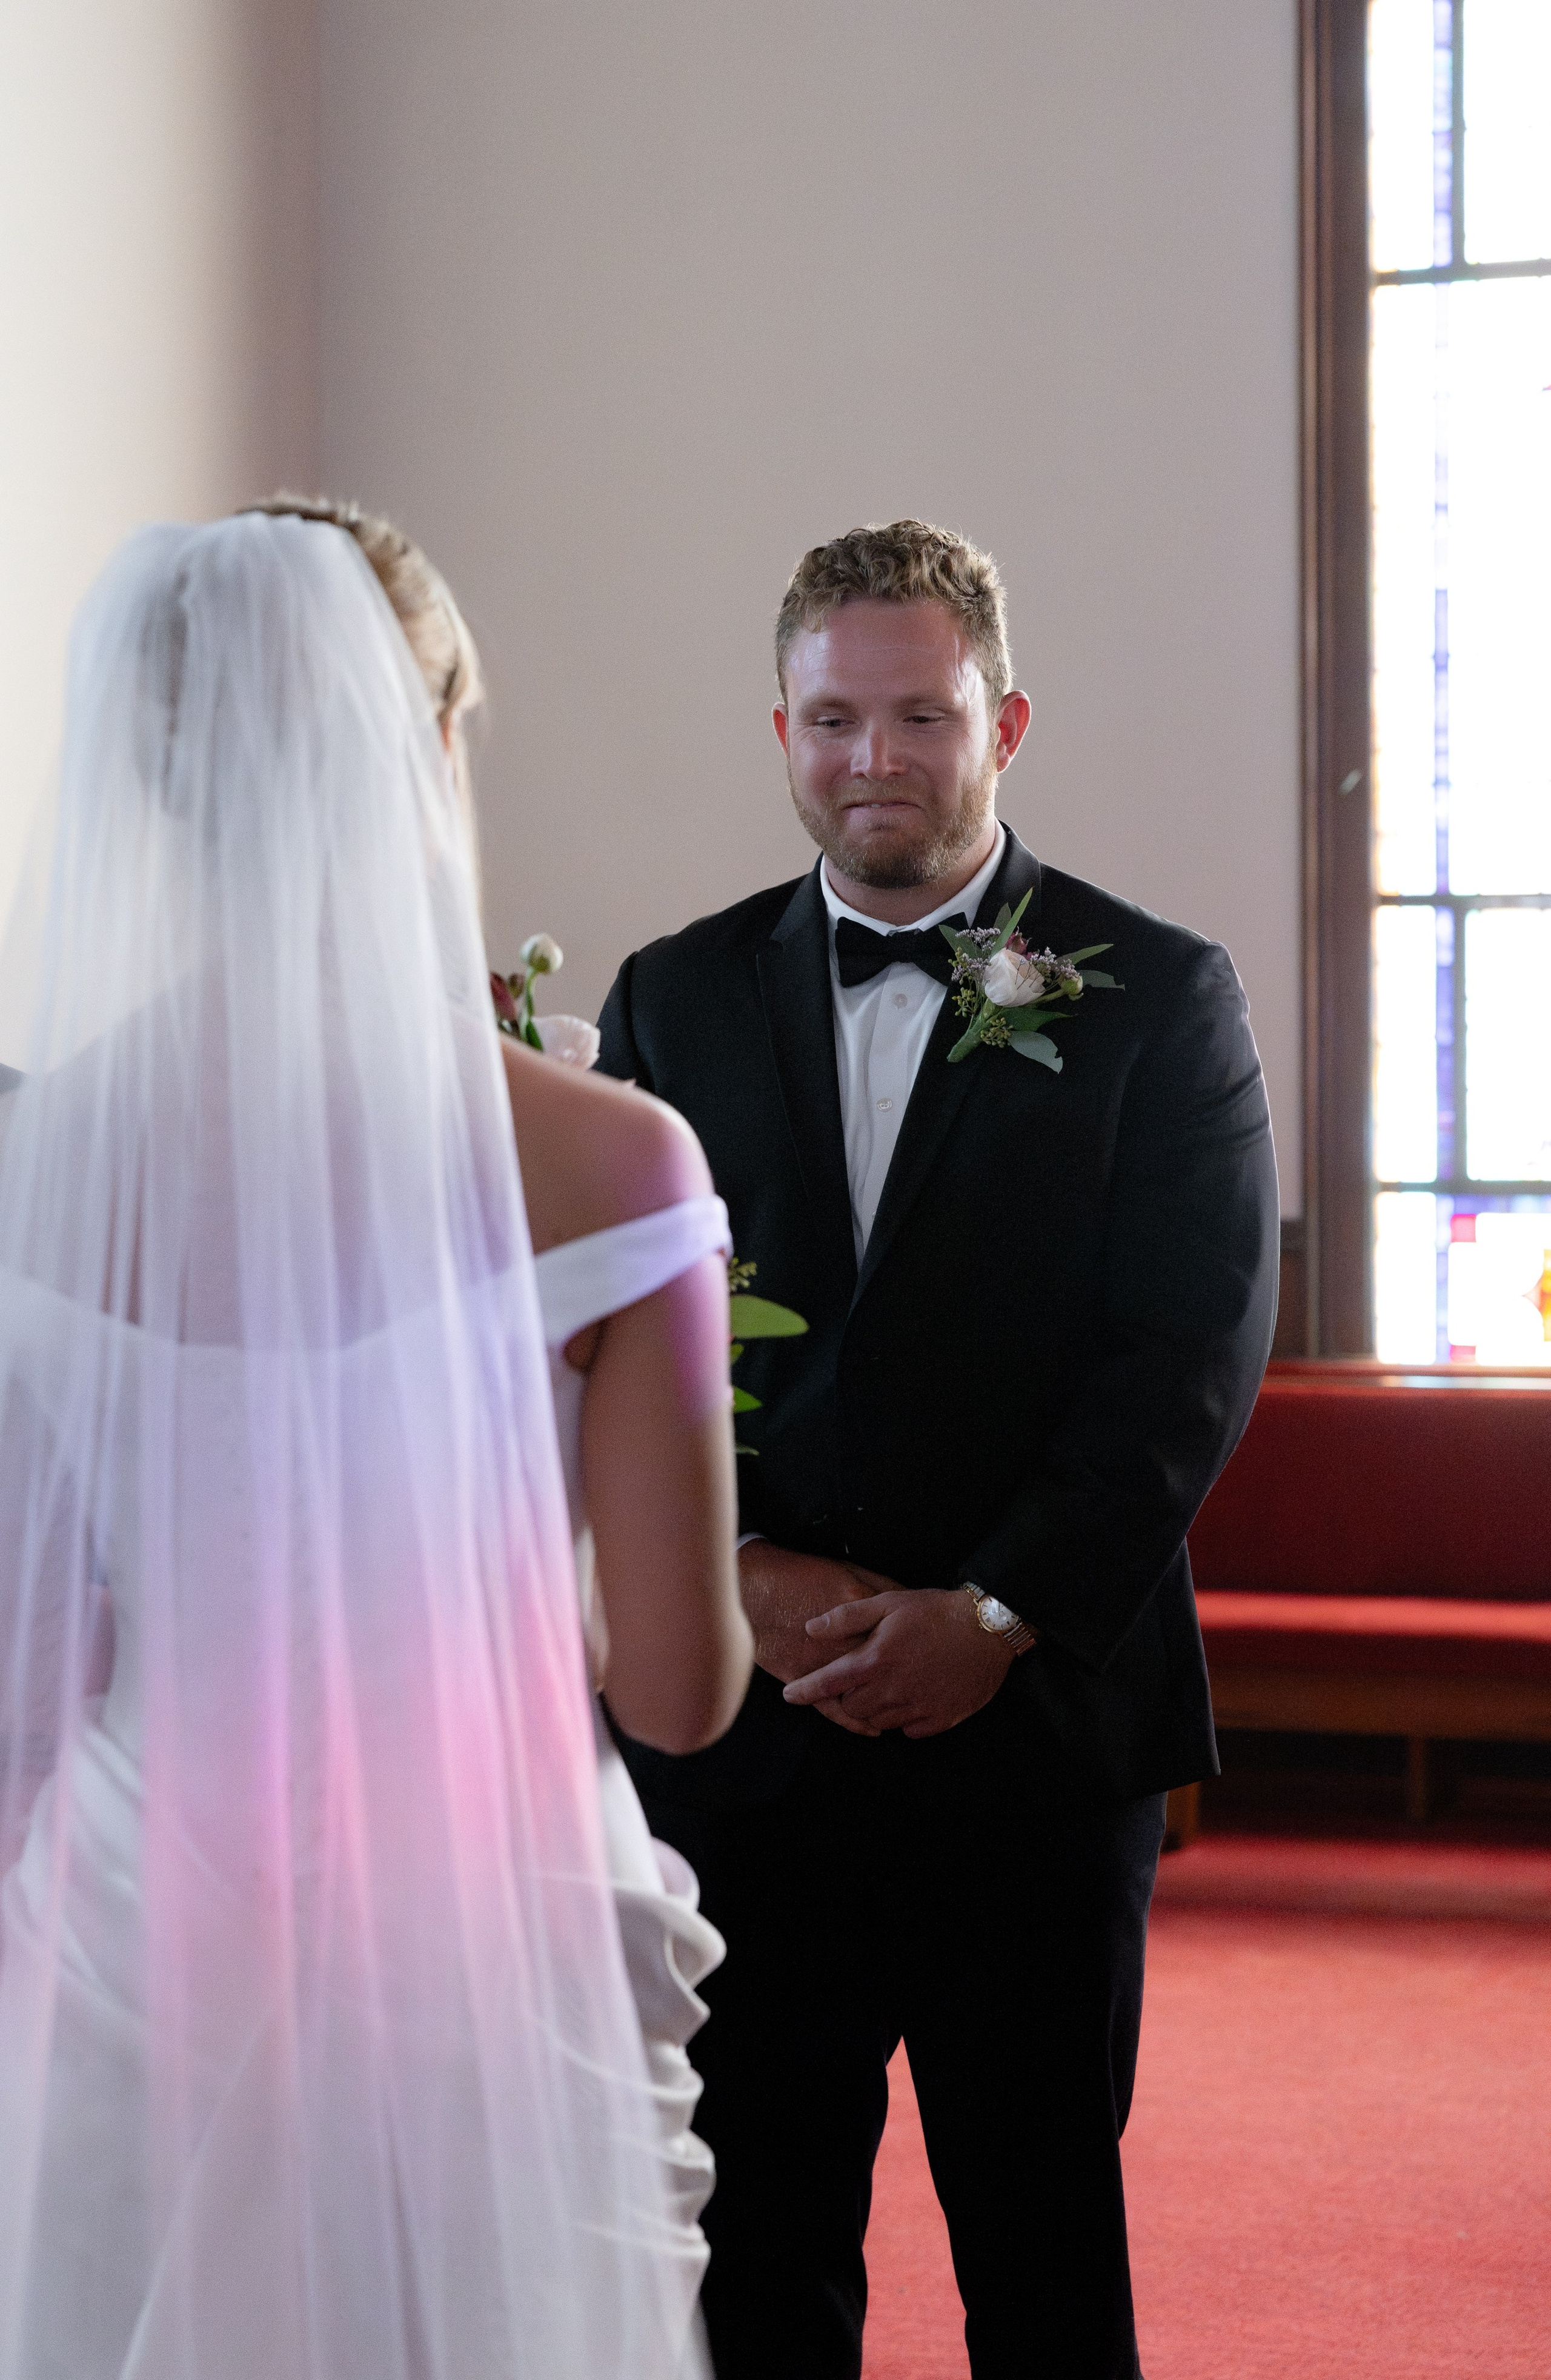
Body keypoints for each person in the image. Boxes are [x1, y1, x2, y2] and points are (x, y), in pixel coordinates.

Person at [0, 507, 746, 2380]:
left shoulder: (44, 1168)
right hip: (483, 1918)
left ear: (156, 784)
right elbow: (677, 1691)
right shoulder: (616, 1163)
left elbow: (31, 1669)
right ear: (429, 746)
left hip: (136, 1914)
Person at [597, 519, 1280, 2380]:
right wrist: (734, 1572)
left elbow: (1188, 1358)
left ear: (1006, 725)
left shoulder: (1160, 993)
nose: (874, 759)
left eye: (921, 717)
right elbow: (625, 1345)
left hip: (1039, 1744)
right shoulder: (672, 995)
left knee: (1043, 2243)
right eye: (834, 720)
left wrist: (992, 1613)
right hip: (755, 1736)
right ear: (783, 731)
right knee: (753, 2246)